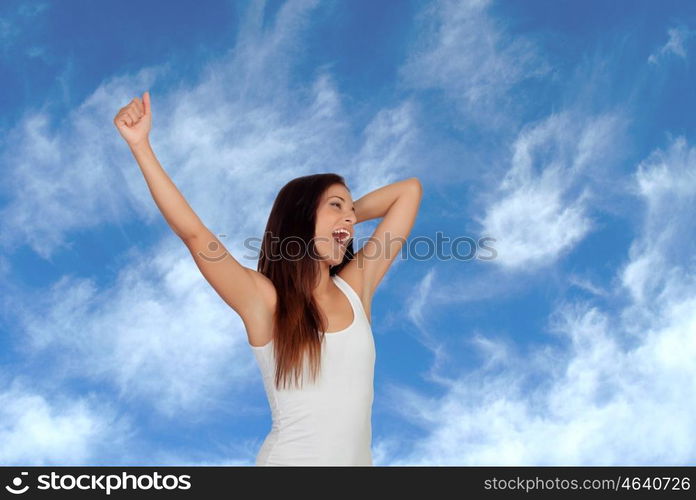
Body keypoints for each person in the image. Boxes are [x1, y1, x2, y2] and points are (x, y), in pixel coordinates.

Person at [114, 91, 423, 466]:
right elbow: (195, 235)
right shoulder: (265, 301)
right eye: (335, 206)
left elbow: (409, 191)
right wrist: (141, 146)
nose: (350, 219)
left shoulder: (356, 289)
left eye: (351, 211)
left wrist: (343, 216)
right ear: (301, 217)